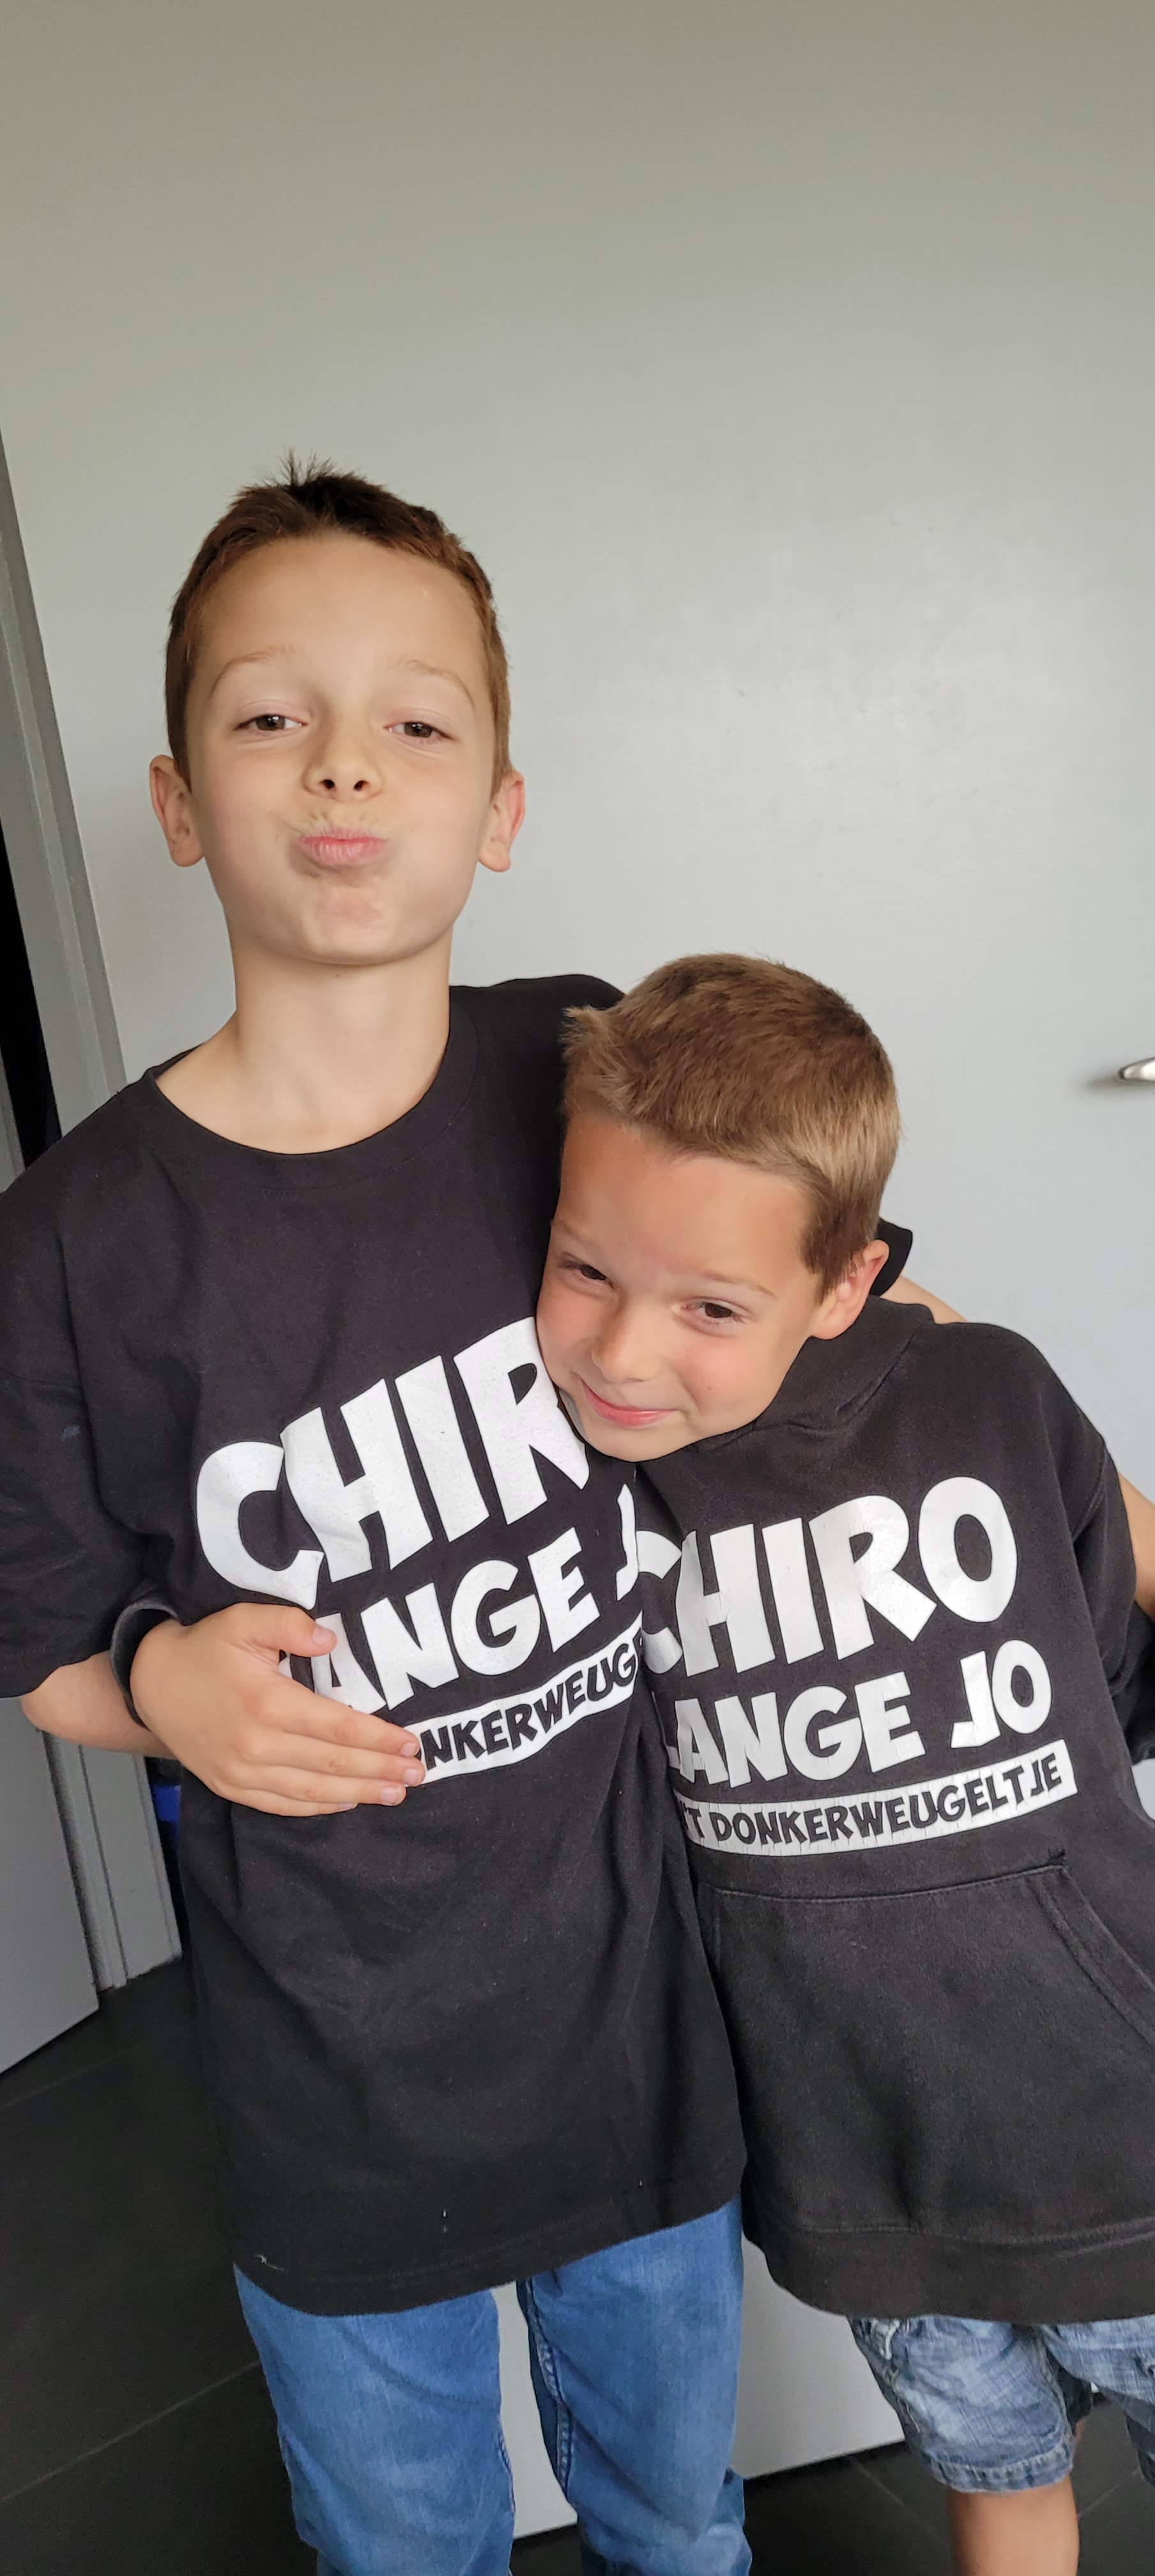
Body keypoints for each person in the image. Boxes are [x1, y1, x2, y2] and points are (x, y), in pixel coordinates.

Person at [1, 466, 762, 2576]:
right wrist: (159, 1682)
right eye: (272, 716)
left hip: (636, 2041)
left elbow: (807, 1316)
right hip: (332, 2098)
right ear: (179, 803)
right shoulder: (71, 1245)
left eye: (414, 722)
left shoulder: (590, 1074)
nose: (343, 762)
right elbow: (45, 1649)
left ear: (497, 806)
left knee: (678, 2529)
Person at [535, 951, 1155, 2576]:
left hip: (1119, 2121)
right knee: (997, 2477)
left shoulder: (988, 1391)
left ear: (844, 1283)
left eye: (708, 1306)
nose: (623, 1353)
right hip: (863, 2169)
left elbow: (1106, 1681)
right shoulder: (586, 1484)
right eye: (584, 1269)